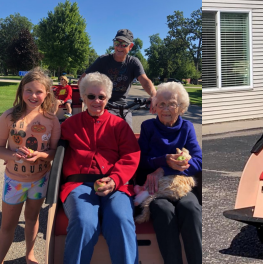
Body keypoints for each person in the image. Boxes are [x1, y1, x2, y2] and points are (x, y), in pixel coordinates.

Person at [60, 72, 140, 264]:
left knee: (121, 219)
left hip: (115, 183)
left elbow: (131, 156)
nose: (96, 101)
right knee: (84, 221)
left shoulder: (119, 126)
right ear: (83, 97)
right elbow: (50, 146)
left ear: (108, 98)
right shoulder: (69, 124)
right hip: (78, 184)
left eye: (101, 97)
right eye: (91, 96)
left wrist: (114, 179)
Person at [0, 68, 60, 264]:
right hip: (14, 182)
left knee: (32, 219)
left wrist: (40, 155)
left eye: (39, 91)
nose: (33, 96)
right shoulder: (9, 117)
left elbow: (53, 153)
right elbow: (0, 148)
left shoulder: (52, 121)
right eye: (28, 90)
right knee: (7, 225)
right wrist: (13, 154)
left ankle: (30, 255)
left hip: (39, 181)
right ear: (21, 91)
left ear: (47, 93)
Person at [137, 82, 202, 264]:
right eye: (161, 104)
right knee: (163, 210)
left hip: (180, 185)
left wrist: (164, 169)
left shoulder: (187, 127)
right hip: (155, 188)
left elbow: (198, 160)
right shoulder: (148, 127)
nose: (166, 109)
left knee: (191, 208)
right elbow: (140, 161)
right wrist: (164, 159)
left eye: (172, 104)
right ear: (155, 106)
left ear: (181, 107)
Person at [78, 29, 157, 127]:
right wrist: (85, 98)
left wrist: (154, 95)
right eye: (116, 43)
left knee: (128, 133)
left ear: (130, 46)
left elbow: (144, 81)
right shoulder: (103, 60)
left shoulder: (133, 62)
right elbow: (82, 79)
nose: (119, 47)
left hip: (123, 106)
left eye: (124, 44)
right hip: (103, 103)